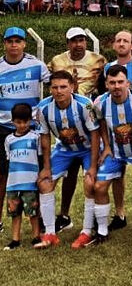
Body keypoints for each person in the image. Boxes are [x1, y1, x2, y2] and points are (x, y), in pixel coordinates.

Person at [35, 71, 100, 249]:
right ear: (50, 89)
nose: (59, 91)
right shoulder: (43, 107)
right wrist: (46, 167)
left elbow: (95, 135)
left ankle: (86, 231)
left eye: (63, 86)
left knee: (90, 182)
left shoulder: (85, 105)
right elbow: (45, 137)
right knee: (45, 183)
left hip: (87, 149)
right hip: (64, 149)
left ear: (72, 87)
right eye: (55, 87)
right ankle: (50, 233)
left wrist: (93, 166)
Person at [92, 65, 132, 247]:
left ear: (128, 83)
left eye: (120, 82)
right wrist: (107, 146)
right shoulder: (100, 102)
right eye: (112, 83)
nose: (116, 86)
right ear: (106, 84)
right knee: (100, 186)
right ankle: (102, 230)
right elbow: (100, 122)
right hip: (116, 152)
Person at [0, 27, 51, 233]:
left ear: (24, 44)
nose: (14, 45)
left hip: (32, 130)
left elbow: (55, 84)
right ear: (4, 44)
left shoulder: (37, 65)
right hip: (3, 128)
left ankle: (39, 221)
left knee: (34, 176)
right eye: (9, 41)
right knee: (3, 176)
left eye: (17, 41)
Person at [2, 103, 41, 250]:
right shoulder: (9, 140)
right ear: (13, 122)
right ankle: (15, 240)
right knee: (14, 212)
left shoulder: (35, 137)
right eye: (18, 122)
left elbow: (40, 158)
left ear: (30, 121)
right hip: (13, 183)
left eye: (25, 122)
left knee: (33, 212)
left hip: (30, 183)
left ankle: (36, 237)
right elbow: (8, 160)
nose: (22, 125)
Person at [49, 27, 107, 98]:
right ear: (68, 43)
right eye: (74, 41)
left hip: (89, 102)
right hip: (63, 100)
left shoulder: (98, 60)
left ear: (86, 42)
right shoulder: (57, 61)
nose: (78, 44)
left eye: (81, 40)